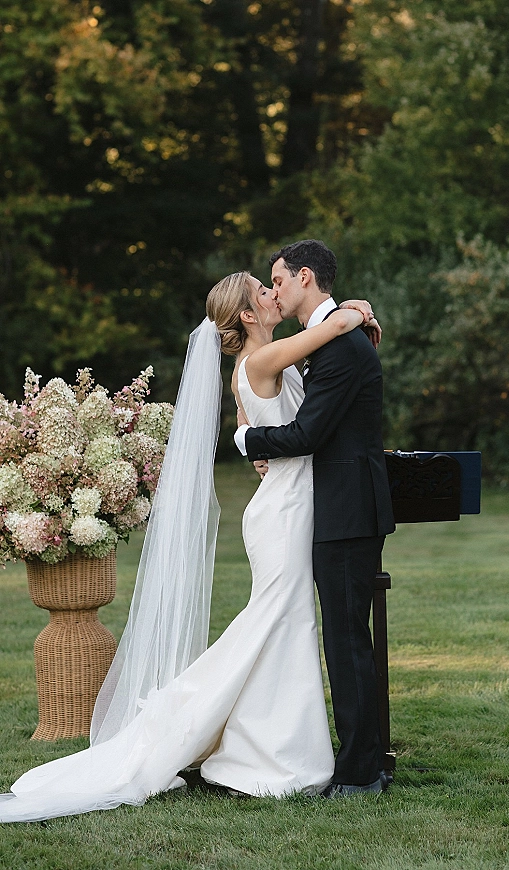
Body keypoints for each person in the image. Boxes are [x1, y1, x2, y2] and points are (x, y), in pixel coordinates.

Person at [0, 271, 377, 822]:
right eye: (265, 291)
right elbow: (337, 323)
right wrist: (353, 312)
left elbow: (287, 410)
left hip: (293, 503)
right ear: (248, 315)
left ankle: (267, 749)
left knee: (283, 623)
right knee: (278, 620)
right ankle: (246, 746)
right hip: (286, 512)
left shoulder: (269, 359)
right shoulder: (263, 360)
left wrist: (253, 437)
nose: (275, 295)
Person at [236, 240, 396, 797]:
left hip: (347, 509)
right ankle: (364, 760)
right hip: (332, 507)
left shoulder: (341, 347)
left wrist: (244, 438)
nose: (273, 289)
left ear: (305, 277)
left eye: (278, 280)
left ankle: (361, 772)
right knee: (344, 637)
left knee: (347, 640)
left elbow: (307, 435)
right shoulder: (328, 340)